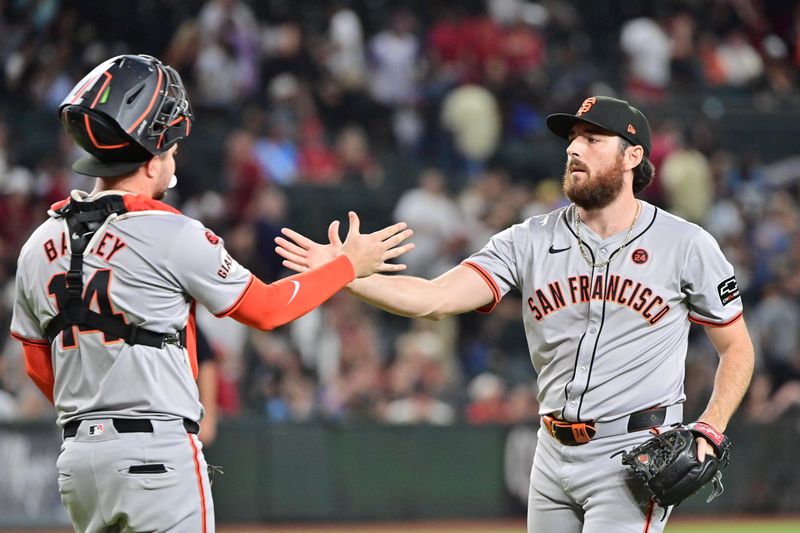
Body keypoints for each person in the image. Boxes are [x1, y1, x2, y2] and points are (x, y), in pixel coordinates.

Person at [276, 95, 755, 532]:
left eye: (592, 139)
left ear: (633, 156)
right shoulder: (527, 240)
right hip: (550, 453)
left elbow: (736, 348)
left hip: (631, 452)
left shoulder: (686, 244)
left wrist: (709, 427)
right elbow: (434, 298)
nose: (575, 150)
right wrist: (342, 274)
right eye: (572, 139)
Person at [9, 54, 413, 533]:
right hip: (156, 453)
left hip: (78, 462)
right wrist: (347, 267)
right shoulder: (171, 232)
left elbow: (37, 361)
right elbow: (267, 310)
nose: (174, 159)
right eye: (172, 148)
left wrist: (96, 407)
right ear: (153, 155)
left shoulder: (39, 244)